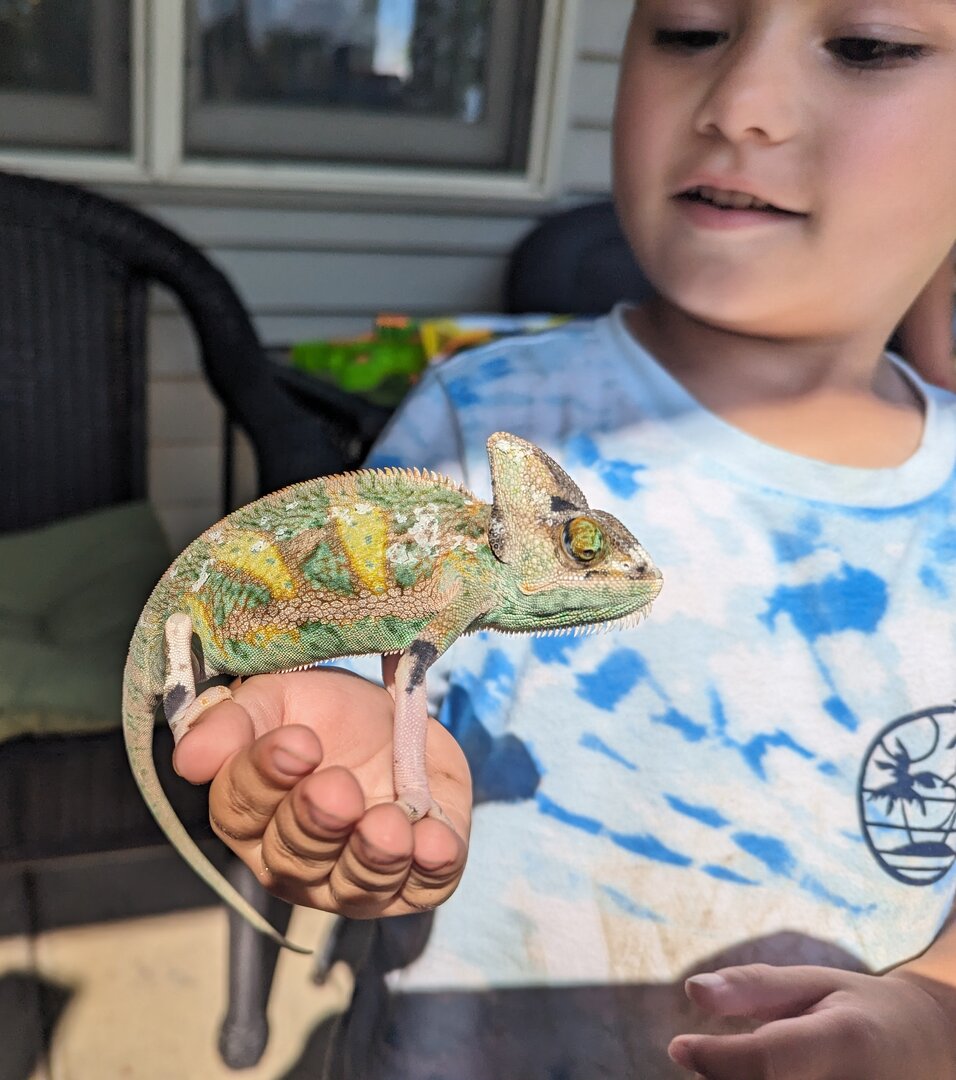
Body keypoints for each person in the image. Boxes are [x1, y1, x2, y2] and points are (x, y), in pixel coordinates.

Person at [173, 2, 956, 1076]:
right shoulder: (485, 415)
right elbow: (358, 677)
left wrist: (935, 1004)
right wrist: (335, 754)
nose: (740, 105)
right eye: (690, 30)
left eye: (868, 46)